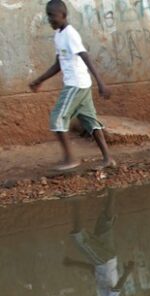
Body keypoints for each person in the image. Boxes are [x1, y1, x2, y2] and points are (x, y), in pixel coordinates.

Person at [29, 0, 115, 171]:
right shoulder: (59, 35)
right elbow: (58, 64)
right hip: (81, 84)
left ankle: (70, 158)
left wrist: (101, 83)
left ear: (63, 15)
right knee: (91, 122)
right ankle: (108, 159)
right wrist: (39, 80)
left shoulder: (70, 34)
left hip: (75, 85)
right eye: (48, 16)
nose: (50, 20)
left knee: (57, 118)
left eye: (52, 16)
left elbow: (85, 56)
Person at [64, 190, 134, 296]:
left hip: (110, 256)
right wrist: (127, 272)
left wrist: (73, 263)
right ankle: (76, 200)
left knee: (106, 223)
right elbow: (117, 288)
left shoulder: (101, 294)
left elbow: (92, 269)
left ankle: (112, 191)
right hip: (103, 260)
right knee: (79, 236)